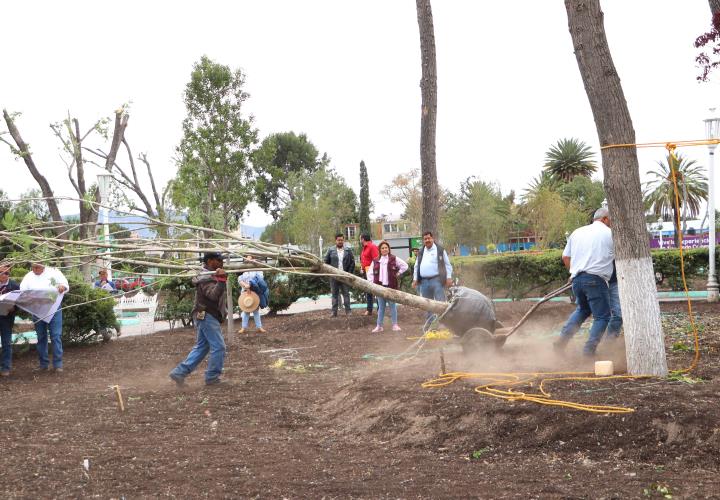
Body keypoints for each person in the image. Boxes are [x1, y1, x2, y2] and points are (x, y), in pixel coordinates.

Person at [554, 207, 614, 356]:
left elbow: (565, 257)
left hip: (577, 279)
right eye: (611, 220)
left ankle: (561, 342)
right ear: (605, 219)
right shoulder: (610, 233)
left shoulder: (577, 232)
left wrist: (572, 272)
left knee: (583, 310)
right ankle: (589, 351)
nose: (612, 224)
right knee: (602, 316)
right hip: (595, 280)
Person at [169, 252, 228, 386]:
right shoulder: (205, 277)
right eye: (219, 260)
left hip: (205, 314)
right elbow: (213, 295)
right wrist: (221, 281)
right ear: (210, 261)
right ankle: (212, 377)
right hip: (207, 314)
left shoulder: (210, 275)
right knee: (219, 347)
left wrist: (220, 279)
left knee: (202, 347)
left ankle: (179, 373)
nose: (221, 262)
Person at [20, 262, 69, 372]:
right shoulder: (28, 277)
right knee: (41, 337)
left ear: (43, 265)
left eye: (38, 267)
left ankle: (58, 364)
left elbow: (65, 285)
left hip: (54, 308)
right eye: (33, 267)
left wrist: (62, 287)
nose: (35, 269)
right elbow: (23, 291)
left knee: (56, 336)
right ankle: (43, 364)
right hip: (37, 310)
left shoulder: (54, 272)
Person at [367, 241, 409, 332]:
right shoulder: (375, 260)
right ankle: (379, 326)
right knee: (381, 307)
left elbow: (405, 266)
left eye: (386, 247)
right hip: (380, 288)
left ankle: (395, 325)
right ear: (380, 250)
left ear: (389, 249)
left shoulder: (394, 259)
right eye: (382, 248)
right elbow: (370, 273)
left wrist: (398, 273)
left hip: (391, 287)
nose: (385, 249)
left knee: (392, 306)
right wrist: (373, 285)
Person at [412, 231, 453, 317]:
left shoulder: (440, 250)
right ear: (423, 240)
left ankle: (442, 324)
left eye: (429, 238)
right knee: (427, 304)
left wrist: (449, 277)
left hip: (437, 280)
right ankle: (430, 325)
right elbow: (416, 266)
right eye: (425, 239)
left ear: (433, 238)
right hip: (424, 282)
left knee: (440, 303)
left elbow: (447, 265)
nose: (427, 240)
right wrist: (415, 279)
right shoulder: (421, 251)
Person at [324, 233, 355, 317]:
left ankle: (348, 311)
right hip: (334, 277)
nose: (340, 241)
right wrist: (329, 273)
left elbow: (352, 263)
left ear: (343, 240)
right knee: (334, 294)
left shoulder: (348, 250)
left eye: (341, 240)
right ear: (335, 240)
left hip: (345, 276)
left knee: (346, 294)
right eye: (338, 240)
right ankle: (334, 312)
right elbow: (325, 262)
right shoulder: (330, 250)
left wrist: (349, 273)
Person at [237, 255, 268, 334]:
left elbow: (260, 278)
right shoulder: (243, 268)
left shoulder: (256, 268)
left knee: (256, 310)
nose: (249, 260)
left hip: (254, 291)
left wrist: (250, 285)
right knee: (246, 309)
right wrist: (245, 286)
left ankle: (259, 327)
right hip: (245, 291)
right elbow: (240, 279)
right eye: (247, 258)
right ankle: (244, 327)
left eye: (250, 258)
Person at [0, 264, 20, 377]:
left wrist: (14, 308)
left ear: (9, 274)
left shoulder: (15, 286)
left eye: (6, 273)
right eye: (1, 272)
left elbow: (20, 303)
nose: (4, 275)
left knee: (6, 343)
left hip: (7, 318)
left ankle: (5, 368)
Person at [359, 234, 379, 316]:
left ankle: (380, 309)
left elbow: (376, 259)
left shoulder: (372, 247)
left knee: (376, 291)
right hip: (365, 271)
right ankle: (369, 309)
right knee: (368, 291)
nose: (360, 240)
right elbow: (364, 260)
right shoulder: (364, 248)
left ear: (363, 239)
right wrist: (362, 268)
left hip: (372, 272)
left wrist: (373, 271)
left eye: (360, 238)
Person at [606, 263, 623, 338]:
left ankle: (610, 342)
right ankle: (609, 343)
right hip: (606, 282)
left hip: (616, 281)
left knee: (618, 314)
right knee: (618, 314)